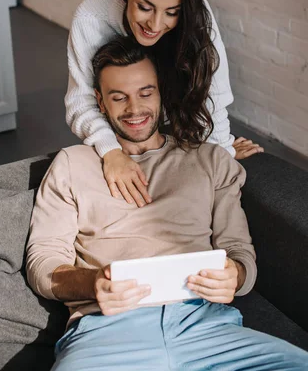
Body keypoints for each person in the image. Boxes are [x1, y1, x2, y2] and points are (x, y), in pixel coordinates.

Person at [27, 37, 306, 371]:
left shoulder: (209, 160)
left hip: (206, 327)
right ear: (100, 102)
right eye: (119, 97)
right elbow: (42, 266)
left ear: (161, 92)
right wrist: (92, 282)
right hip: (108, 332)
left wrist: (235, 274)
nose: (134, 109)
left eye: (146, 92)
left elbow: (240, 253)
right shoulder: (72, 164)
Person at [65, 0, 263, 208]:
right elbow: (81, 101)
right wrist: (110, 152)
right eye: (144, 7)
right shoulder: (91, 18)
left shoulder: (196, 15)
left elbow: (211, 93)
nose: (155, 25)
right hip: (118, 131)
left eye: (171, 13)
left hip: (172, 125)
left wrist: (222, 151)